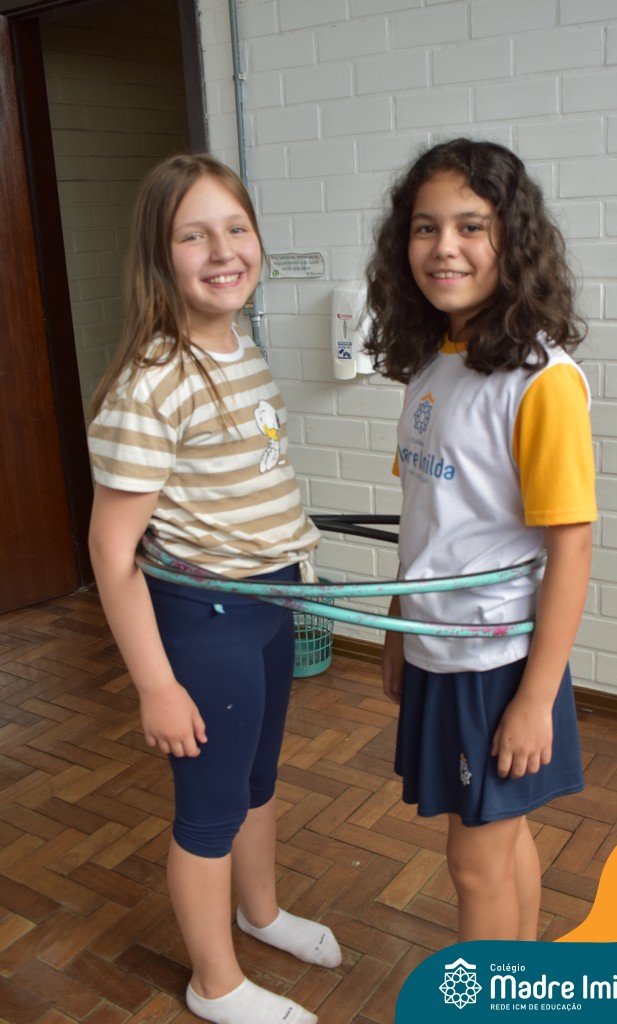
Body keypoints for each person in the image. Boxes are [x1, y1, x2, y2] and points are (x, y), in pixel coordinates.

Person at [87, 153, 340, 1024]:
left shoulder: (241, 348)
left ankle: (259, 914)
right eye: (193, 236)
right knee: (210, 808)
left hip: (269, 603)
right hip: (207, 620)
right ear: (159, 257)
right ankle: (214, 984)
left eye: (236, 228)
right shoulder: (152, 381)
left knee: (257, 781)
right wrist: (156, 685)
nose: (223, 250)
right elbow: (112, 550)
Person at [364, 138, 596, 943]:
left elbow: (571, 548)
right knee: (498, 841)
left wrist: (534, 698)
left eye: (471, 226)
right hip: (437, 642)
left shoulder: (541, 381)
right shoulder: (433, 365)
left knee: (473, 863)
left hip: (494, 661)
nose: (444, 248)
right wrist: (397, 623)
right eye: (425, 228)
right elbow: (428, 516)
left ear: (513, 240)